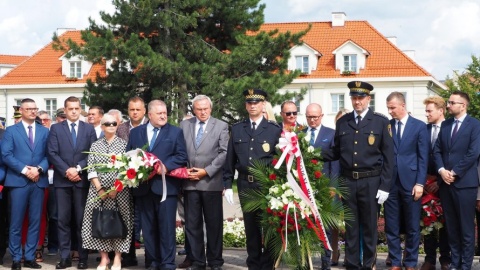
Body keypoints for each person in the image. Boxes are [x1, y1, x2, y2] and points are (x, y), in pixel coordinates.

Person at [321, 81, 394, 270]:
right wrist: (310, 153)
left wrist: (385, 186)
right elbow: (336, 152)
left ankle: (369, 264)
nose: (357, 101)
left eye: (361, 98)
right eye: (354, 98)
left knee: (369, 227)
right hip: (348, 181)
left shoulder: (380, 122)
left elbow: (389, 157)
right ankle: (352, 265)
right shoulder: (343, 122)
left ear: (368, 99)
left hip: (371, 181)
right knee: (351, 227)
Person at [224, 89, 281, 270]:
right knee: (251, 228)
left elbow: (279, 160)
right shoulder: (238, 128)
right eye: (249, 103)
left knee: (270, 227)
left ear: (263, 104)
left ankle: (268, 264)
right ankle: (254, 264)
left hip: (267, 186)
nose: (253, 105)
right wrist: (227, 185)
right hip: (245, 184)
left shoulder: (274, 130)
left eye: (256, 102)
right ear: (245, 105)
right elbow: (230, 160)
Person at [126, 99, 188, 270]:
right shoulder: (136, 133)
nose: (163, 116)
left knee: (167, 227)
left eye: (165, 113)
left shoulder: (175, 132)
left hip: (166, 187)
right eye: (159, 113)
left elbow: (182, 156)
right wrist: (137, 170)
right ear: (150, 114)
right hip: (143, 188)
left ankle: (168, 263)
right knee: (148, 228)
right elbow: (128, 156)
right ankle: (152, 262)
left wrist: (165, 166)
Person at [179, 95, 229, 270]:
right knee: (192, 225)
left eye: (205, 108)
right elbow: (179, 150)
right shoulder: (185, 125)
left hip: (211, 182)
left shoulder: (221, 126)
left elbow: (224, 153)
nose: (202, 112)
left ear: (211, 108)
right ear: (194, 110)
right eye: (199, 109)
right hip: (190, 183)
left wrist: (206, 171)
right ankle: (198, 261)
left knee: (214, 224)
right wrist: (184, 171)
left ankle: (215, 262)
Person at [47, 96, 97, 269]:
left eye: (77, 108)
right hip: (62, 181)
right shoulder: (55, 129)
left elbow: (92, 153)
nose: (74, 111)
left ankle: (83, 257)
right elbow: (52, 152)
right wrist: (67, 171)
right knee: (63, 220)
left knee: (82, 220)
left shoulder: (89, 129)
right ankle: (65, 257)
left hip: (82, 181)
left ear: (80, 109)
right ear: (65, 110)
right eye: (71, 108)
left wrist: (78, 168)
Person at [433, 91, 480, 270]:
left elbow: (473, 153)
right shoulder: (445, 125)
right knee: (452, 226)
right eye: (449, 102)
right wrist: (442, 170)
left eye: (452, 102)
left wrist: (454, 172)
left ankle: (466, 265)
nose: (448, 105)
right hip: (446, 183)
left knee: (466, 227)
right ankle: (456, 262)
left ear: (463, 105)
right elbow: (437, 150)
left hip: (465, 183)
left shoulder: (475, 125)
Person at [1, 98, 50, 270]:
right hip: (18, 181)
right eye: (28, 108)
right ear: (21, 110)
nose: (32, 111)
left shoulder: (45, 132)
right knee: (16, 222)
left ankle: (29, 256)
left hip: (38, 180)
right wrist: (25, 170)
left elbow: (49, 154)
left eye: (34, 108)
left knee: (35, 221)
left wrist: (38, 169)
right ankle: (16, 258)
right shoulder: (11, 131)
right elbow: (6, 154)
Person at [81, 114, 133, 270]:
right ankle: (104, 258)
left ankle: (117, 257)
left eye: (114, 123)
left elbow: (127, 169)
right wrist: (100, 189)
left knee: (121, 223)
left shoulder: (125, 145)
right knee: (98, 222)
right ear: (102, 127)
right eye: (107, 123)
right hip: (98, 192)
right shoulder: (95, 146)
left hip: (120, 192)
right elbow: (91, 169)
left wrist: (115, 189)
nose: (111, 125)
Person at [385, 92, 429, 270]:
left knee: (412, 226)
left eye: (392, 107)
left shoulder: (419, 126)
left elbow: (423, 157)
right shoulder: (386, 126)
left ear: (402, 105)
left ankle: (410, 262)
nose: (390, 111)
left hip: (411, 183)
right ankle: (395, 261)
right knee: (391, 225)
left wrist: (420, 183)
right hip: (390, 183)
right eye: (388, 107)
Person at [304, 103, 339, 270]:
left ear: (322, 116)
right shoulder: (299, 134)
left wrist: (332, 186)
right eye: (309, 117)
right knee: (304, 225)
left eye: (315, 117)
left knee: (324, 228)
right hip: (303, 188)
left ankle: (326, 262)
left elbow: (335, 162)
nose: (312, 120)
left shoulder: (331, 134)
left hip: (324, 188)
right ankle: (305, 261)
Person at [115, 97, 149, 266]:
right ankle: (129, 255)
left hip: (147, 180)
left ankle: (150, 256)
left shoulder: (151, 125)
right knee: (127, 218)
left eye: (138, 109)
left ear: (144, 110)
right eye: (131, 110)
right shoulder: (121, 128)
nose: (135, 112)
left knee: (147, 218)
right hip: (126, 181)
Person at [420, 96, 451, 270]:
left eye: (429, 111)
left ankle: (445, 259)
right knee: (426, 221)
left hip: (445, 183)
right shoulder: (424, 130)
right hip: (425, 183)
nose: (427, 114)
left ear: (441, 110)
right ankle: (429, 259)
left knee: (445, 222)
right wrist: (422, 181)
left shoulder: (450, 129)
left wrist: (439, 182)